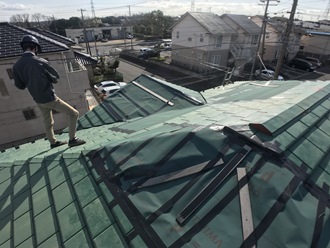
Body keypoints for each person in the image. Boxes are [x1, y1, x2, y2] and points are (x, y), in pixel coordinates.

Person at [13, 35, 86, 149]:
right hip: (49, 98)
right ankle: (72, 139)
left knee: (48, 120)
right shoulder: (40, 61)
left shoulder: (17, 66)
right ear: (35, 48)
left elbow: (20, 86)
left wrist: (30, 81)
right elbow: (56, 78)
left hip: (38, 99)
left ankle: (53, 142)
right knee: (73, 113)